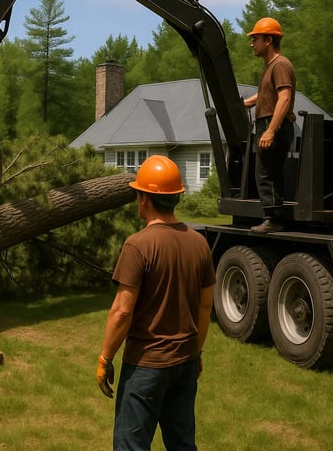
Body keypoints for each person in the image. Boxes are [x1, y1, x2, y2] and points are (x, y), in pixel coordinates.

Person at [95, 155, 215, 451]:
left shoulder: (138, 245)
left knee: (131, 445)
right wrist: (196, 351)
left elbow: (122, 310)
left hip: (147, 365)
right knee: (182, 444)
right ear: (175, 197)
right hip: (186, 361)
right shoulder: (199, 243)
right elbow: (204, 308)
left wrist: (104, 359)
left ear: (145, 199)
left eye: (138, 194)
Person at [243, 17, 296, 233]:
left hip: (274, 124)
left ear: (268, 40)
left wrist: (271, 130)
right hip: (268, 123)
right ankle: (271, 216)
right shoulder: (270, 67)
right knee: (264, 171)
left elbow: (284, 97)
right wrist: (245, 103)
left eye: (255, 38)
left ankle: (273, 219)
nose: (251, 43)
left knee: (267, 173)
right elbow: (267, 94)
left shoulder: (281, 64)